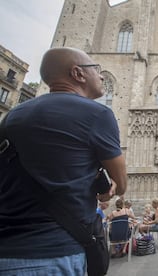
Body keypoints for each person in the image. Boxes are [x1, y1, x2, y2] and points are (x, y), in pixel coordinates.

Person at [0, 47, 127, 274]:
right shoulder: (98, 114)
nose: (101, 76)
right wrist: (110, 189)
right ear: (77, 73)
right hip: (57, 253)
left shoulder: (12, 116)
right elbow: (121, 183)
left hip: (7, 250)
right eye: (96, 69)